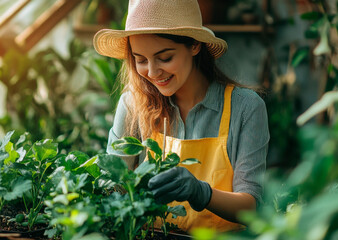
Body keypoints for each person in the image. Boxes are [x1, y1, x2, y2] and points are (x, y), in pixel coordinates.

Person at [93, 0, 269, 233]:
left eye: (165, 58)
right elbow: (111, 186)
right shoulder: (132, 103)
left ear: (195, 45)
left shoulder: (245, 108)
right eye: (141, 60)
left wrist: (201, 192)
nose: (153, 73)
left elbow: (253, 206)